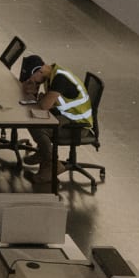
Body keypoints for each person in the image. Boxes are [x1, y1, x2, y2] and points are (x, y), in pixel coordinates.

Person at [16, 54, 92, 183]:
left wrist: (38, 94)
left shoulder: (59, 79)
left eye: (32, 77)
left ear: (39, 71)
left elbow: (44, 105)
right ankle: (44, 153)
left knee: (37, 126)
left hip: (78, 125)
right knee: (35, 120)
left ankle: (52, 164)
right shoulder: (51, 74)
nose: (32, 80)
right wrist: (35, 91)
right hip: (66, 116)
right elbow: (45, 101)